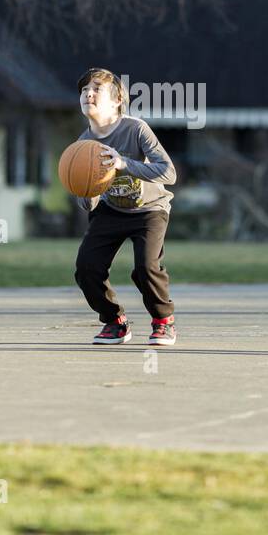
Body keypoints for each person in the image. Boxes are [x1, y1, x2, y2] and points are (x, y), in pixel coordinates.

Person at [71, 68, 179, 345]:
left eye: (96, 88)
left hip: (150, 209)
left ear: (117, 100)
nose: (88, 93)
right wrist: (86, 188)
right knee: (87, 268)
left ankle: (163, 321)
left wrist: (123, 164)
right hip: (111, 210)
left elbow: (169, 173)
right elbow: (87, 203)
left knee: (146, 268)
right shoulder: (83, 145)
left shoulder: (135, 128)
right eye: (84, 89)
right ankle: (115, 321)